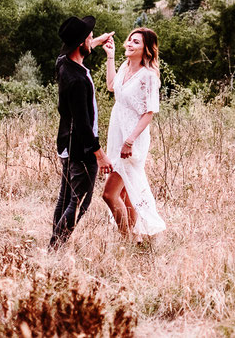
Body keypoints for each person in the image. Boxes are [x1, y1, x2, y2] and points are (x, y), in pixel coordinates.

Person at [49, 15, 115, 249]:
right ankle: (55, 248)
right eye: (89, 37)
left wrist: (97, 41)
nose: (91, 39)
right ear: (80, 44)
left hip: (66, 143)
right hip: (81, 148)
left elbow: (81, 46)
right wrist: (100, 155)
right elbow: (84, 124)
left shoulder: (63, 63)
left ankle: (54, 246)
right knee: (78, 202)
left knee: (65, 197)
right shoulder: (77, 80)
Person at [101, 27, 167, 242]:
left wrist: (130, 141)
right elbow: (111, 87)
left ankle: (126, 238)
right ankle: (135, 238)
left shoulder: (148, 77)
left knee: (109, 194)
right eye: (129, 40)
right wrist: (110, 57)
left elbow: (149, 112)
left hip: (132, 138)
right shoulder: (124, 66)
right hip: (117, 133)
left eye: (136, 42)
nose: (129, 44)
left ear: (146, 49)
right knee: (125, 191)